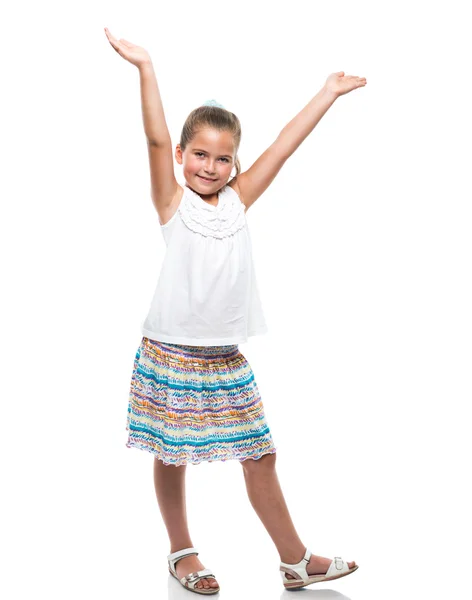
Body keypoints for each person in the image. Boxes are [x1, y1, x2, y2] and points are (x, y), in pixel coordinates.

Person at [105, 27, 367, 595]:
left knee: (261, 453)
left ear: (233, 163)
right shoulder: (172, 203)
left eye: (222, 158)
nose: (210, 166)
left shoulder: (239, 201)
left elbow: (281, 146)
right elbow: (153, 140)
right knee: (171, 454)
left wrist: (326, 94)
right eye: (199, 154)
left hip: (224, 359)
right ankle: (182, 552)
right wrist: (146, 68)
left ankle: (295, 560)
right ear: (181, 156)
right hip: (170, 353)